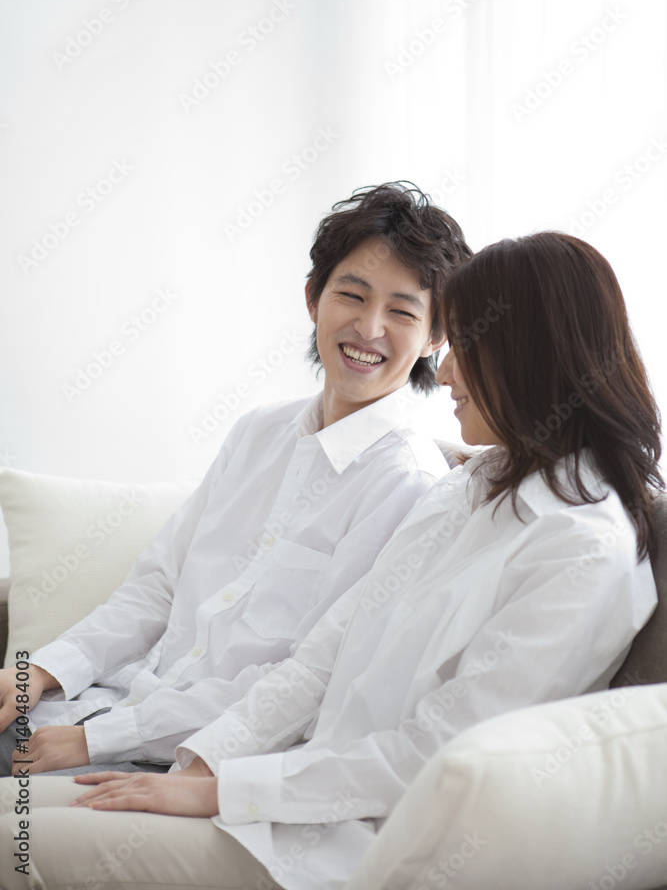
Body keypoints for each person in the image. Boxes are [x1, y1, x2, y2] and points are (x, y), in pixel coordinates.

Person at [0, 231, 661, 890]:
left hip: (348, 845)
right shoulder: (468, 487)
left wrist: (226, 788)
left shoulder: (578, 547)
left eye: (465, 345)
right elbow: (322, 660)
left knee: (13, 844)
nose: (446, 373)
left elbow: (440, 754)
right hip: (266, 793)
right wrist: (205, 767)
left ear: (529, 356)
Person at [0, 181, 472, 779]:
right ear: (313, 299)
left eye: (401, 312)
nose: (369, 327)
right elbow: (158, 585)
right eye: (351, 295)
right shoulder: (258, 431)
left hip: (194, 759)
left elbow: (305, 680)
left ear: (435, 337)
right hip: (108, 701)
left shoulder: (407, 483)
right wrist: (42, 671)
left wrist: (97, 741)